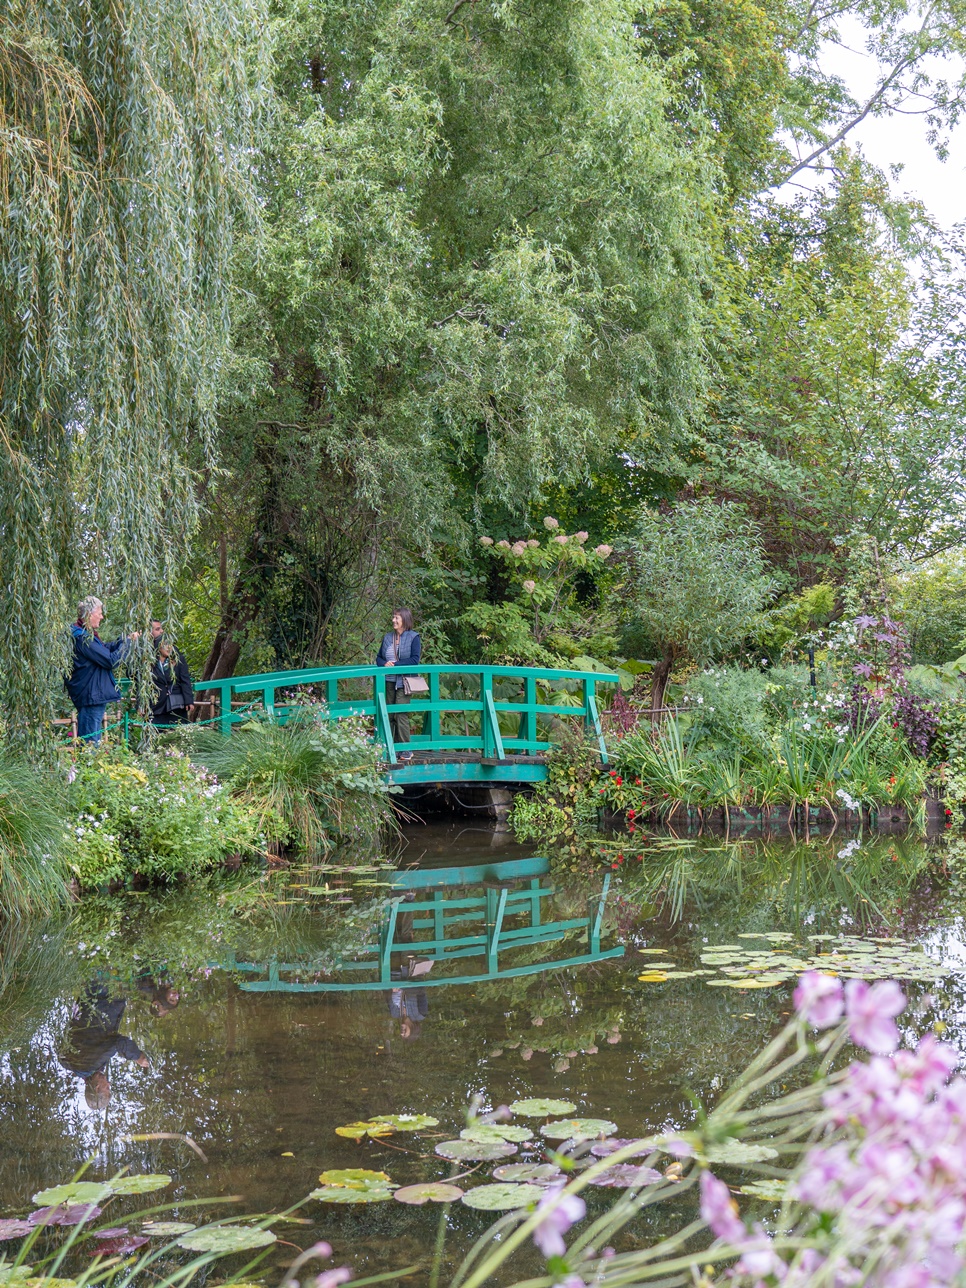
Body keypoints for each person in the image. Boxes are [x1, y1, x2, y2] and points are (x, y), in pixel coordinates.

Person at [58, 980, 149, 1111]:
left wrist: (138, 1057)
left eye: (106, 1087)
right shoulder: (73, 1063)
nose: (109, 1083)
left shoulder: (90, 1063)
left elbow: (118, 1042)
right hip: (90, 999)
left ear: (97, 1088)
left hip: (103, 997)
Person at [65, 597, 139, 744]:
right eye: (99, 613)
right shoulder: (82, 637)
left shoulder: (85, 635)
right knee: (91, 744)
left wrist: (123, 639)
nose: (102, 616)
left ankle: (88, 764)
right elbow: (110, 660)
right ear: (89, 615)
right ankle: (87, 766)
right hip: (91, 696)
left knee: (91, 741)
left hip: (92, 694)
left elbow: (103, 650)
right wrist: (128, 643)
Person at [375, 608, 421, 760]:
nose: (393, 620)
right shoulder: (387, 637)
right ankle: (392, 747)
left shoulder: (414, 637)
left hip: (404, 681)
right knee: (390, 714)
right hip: (388, 680)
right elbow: (379, 658)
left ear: (405, 620)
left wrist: (397, 665)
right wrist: (385, 664)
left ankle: (406, 749)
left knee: (400, 714)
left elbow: (415, 660)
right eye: (393, 617)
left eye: (397, 618)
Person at [149, 640, 195, 726]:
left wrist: (189, 701)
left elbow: (185, 681)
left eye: (171, 644)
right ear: (158, 646)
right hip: (157, 705)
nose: (169, 647)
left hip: (176, 704)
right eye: (165, 644)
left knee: (177, 734)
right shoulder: (149, 661)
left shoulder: (179, 659)